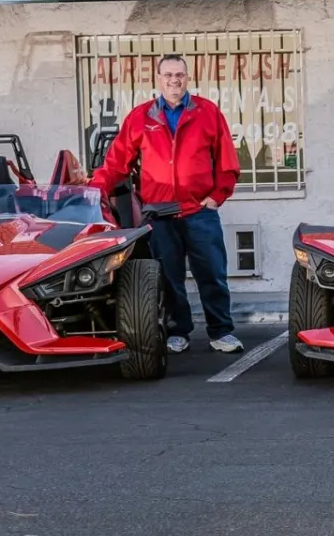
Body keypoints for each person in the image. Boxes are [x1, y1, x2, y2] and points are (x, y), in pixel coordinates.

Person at [88, 54, 241, 354]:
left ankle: (221, 331)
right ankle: (178, 331)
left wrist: (217, 197)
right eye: (169, 75)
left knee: (212, 273)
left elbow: (227, 161)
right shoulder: (141, 117)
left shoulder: (207, 112)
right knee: (169, 277)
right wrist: (94, 191)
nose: (175, 80)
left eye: (180, 75)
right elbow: (117, 163)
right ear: (158, 79)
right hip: (159, 214)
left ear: (188, 77)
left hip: (199, 211)